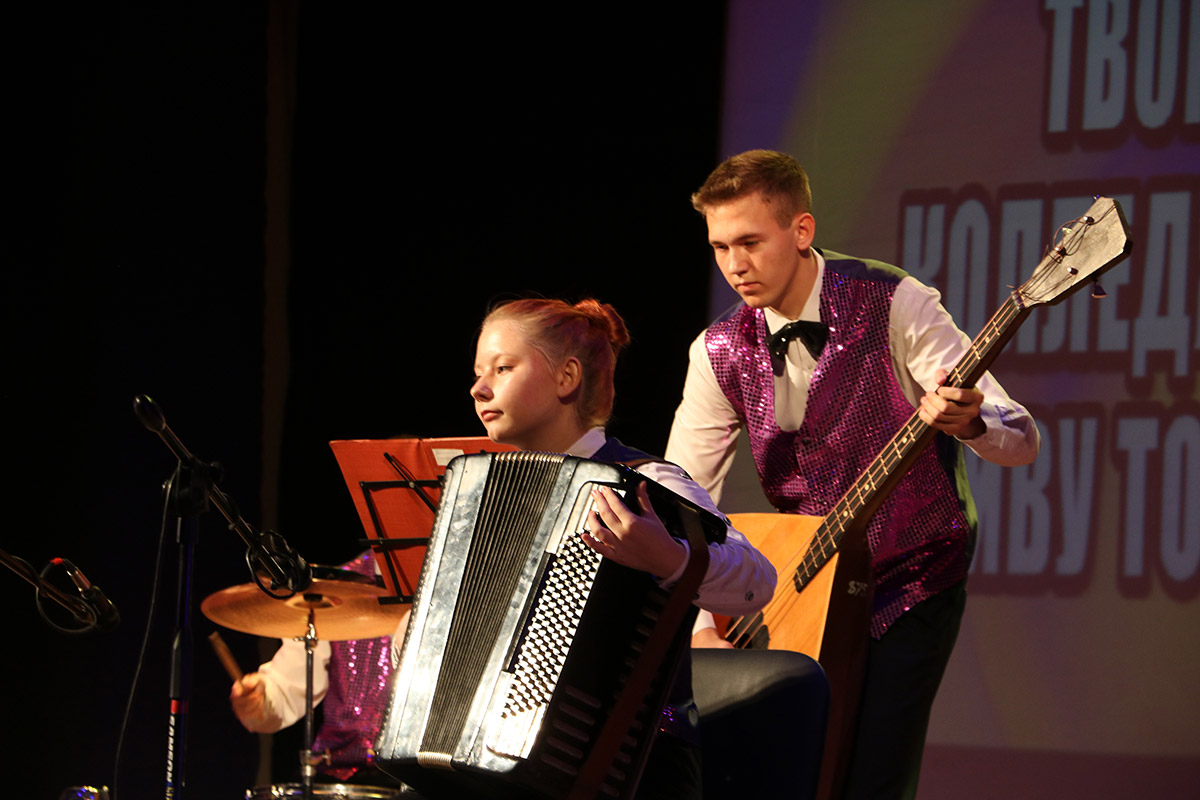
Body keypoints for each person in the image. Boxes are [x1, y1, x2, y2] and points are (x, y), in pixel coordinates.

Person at [664, 150, 1040, 800]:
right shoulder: (717, 349)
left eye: (750, 242)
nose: (734, 265)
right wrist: (701, 628)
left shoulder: (893, 301)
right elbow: (683, 499)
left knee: (873, 778)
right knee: (796, 775)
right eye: (720, 247)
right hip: (805, 583)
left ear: (801, 230)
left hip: (913, 571)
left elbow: (1019, 439)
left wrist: (972, 422)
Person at [464, 297, 779, 799]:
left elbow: (757, 579)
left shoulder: (646, 481)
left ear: (567, 377)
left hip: (636, 761)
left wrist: (671, 558)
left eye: (502, 368)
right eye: (479, 373)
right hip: (498, 753)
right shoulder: (486, 492)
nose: (480, 387)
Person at [229, 551, 405, 788]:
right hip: (340, 774)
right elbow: (290, 679)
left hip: (429, 776)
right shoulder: (337, 587)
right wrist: (263, 697)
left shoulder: (449, 585)